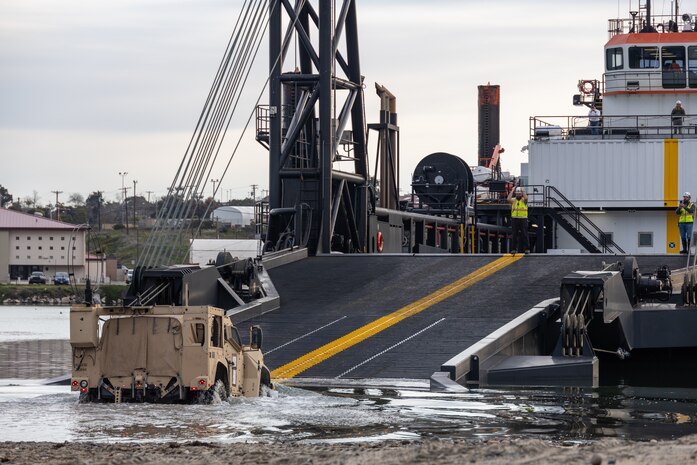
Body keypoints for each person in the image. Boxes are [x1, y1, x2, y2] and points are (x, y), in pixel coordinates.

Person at [507, 185, 530, 254]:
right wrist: (512, 190)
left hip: (523, 219)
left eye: (519, 193)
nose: (518, 194)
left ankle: (527, 249)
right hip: (514, 219)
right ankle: (513, 249)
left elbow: (526, 198)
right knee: (514, 234)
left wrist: (523, 190)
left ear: (521, 194)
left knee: (524, 234)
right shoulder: (514, 200)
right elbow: (508, 199)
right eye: (517, 193)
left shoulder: (524, 200)